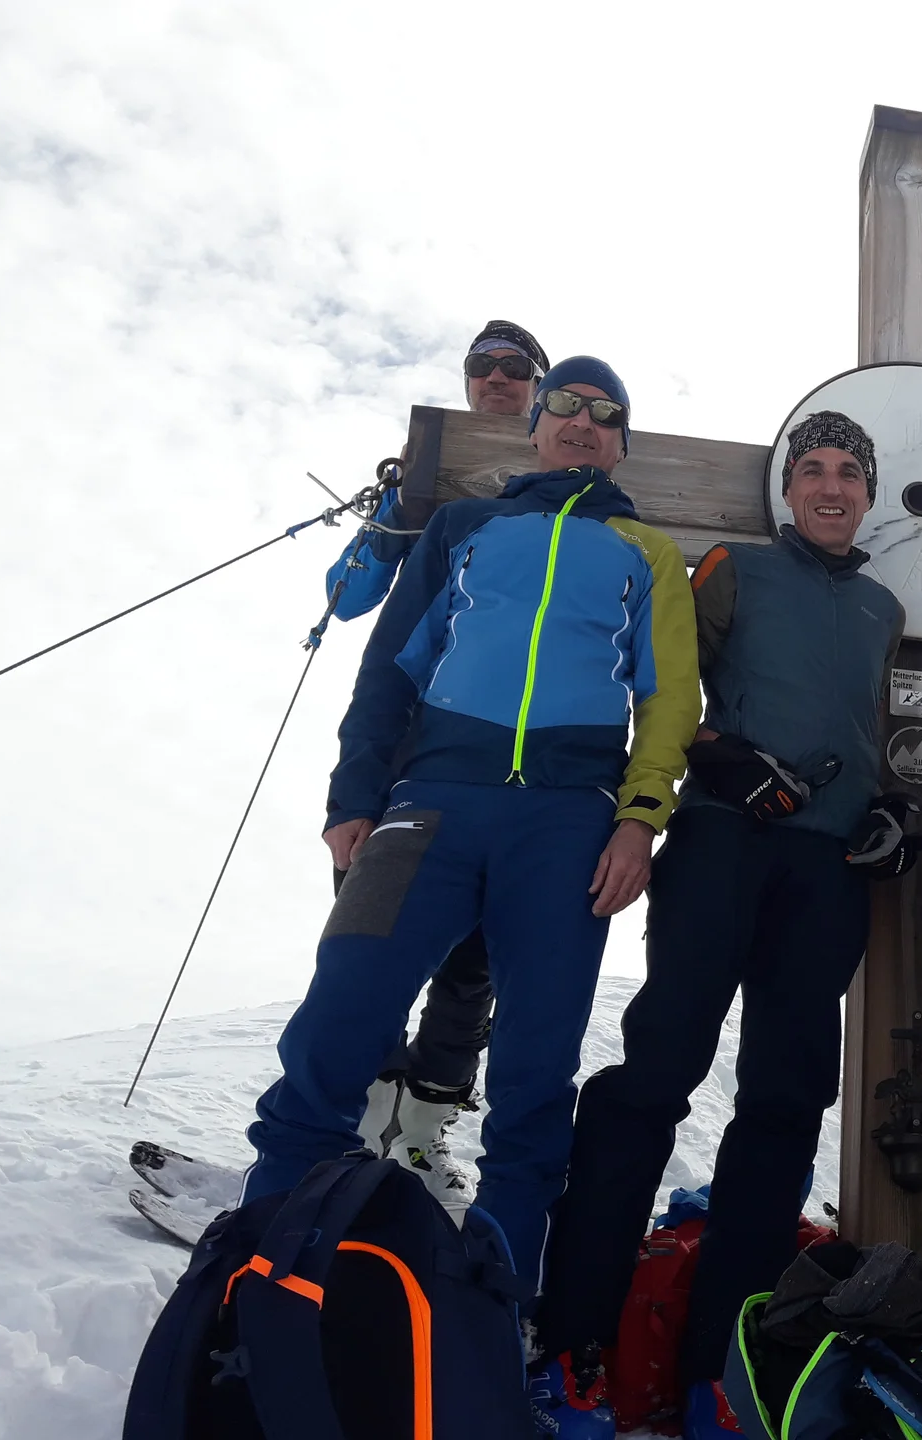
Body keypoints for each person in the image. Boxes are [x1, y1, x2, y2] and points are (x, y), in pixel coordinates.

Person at [244, 356, 699, 1303]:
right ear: (535, 424)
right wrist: (351, 797)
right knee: (337, 1023)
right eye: (565, 407)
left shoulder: (646, 551)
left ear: (621, 444)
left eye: (604, 415)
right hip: (432, 800)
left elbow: (667, 701)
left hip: (569, 822)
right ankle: (264, 1272)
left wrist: (639, 819)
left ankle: (493, 1313)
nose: (582, 423)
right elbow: (390, 670)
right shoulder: (463, 526)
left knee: (535, 1076)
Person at [532, 412, 909, 1440]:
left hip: (824, 871)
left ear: (869, 493)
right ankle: (573, 1346)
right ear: (789, 489)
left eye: (849, 474)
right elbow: (663, 678)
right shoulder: (733, 571)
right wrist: (713, 756)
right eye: (815, 471)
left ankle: (722, 1371)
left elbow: (869, 729)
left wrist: (880, 812)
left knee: (787, 1103)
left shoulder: (881, 606)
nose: (832, 488)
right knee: (657, 1075)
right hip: (723, 844)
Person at [319, 319, 553, 1207]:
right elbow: (344, 600)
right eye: (483, 367)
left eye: (517, 368)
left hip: (507, 765)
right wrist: (391, 515)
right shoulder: (429, 485)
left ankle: (418, 1140)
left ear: (539, 388)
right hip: (410, 751)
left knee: (473, 969)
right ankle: (357, 1123)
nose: (497, 379)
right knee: (369, 943)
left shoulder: (568, 495)